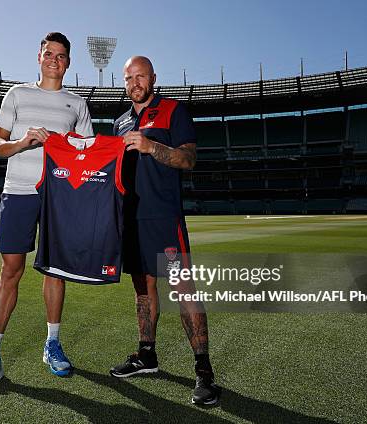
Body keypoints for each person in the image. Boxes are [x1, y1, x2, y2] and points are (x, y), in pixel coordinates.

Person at [0, 32, 93, 398]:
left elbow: (86, 152)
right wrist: (24, 142)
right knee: (11, 270)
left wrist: (67, 145)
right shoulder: (17, 95)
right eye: (49, 53)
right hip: (19, 191)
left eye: (61, 55)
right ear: (39, 56)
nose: (55, 59)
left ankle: (52, 343)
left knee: (55, 268)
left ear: (68, 63)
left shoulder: (77, 104)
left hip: (58, 196)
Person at [110, 56, 220, 406]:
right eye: (129, 78)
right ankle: (147, 355)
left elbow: (188, 160)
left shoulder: (174, 110)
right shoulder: (119, 122)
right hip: (132, 220)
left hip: (163, 219)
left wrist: (151, 146)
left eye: (141, 76)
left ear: (153, 78)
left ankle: (204, 373)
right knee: (143, 290)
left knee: (182, 288)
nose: (135, 83)